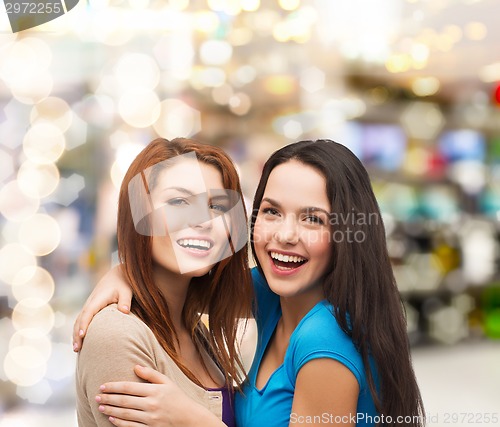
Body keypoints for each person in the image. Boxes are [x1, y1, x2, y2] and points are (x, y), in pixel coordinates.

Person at [74, 139, 425, 426]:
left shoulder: (324, 337)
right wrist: (124, 271)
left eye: (313, 219)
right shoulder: (272, 296)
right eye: (272, 211)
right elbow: (196, 288)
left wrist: (196, 422)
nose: (285, 235)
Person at [75, 137, 253, 427]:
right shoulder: (117, 334)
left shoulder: (192, 327)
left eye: (218, 206)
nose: (203, 221)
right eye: (179, 201)